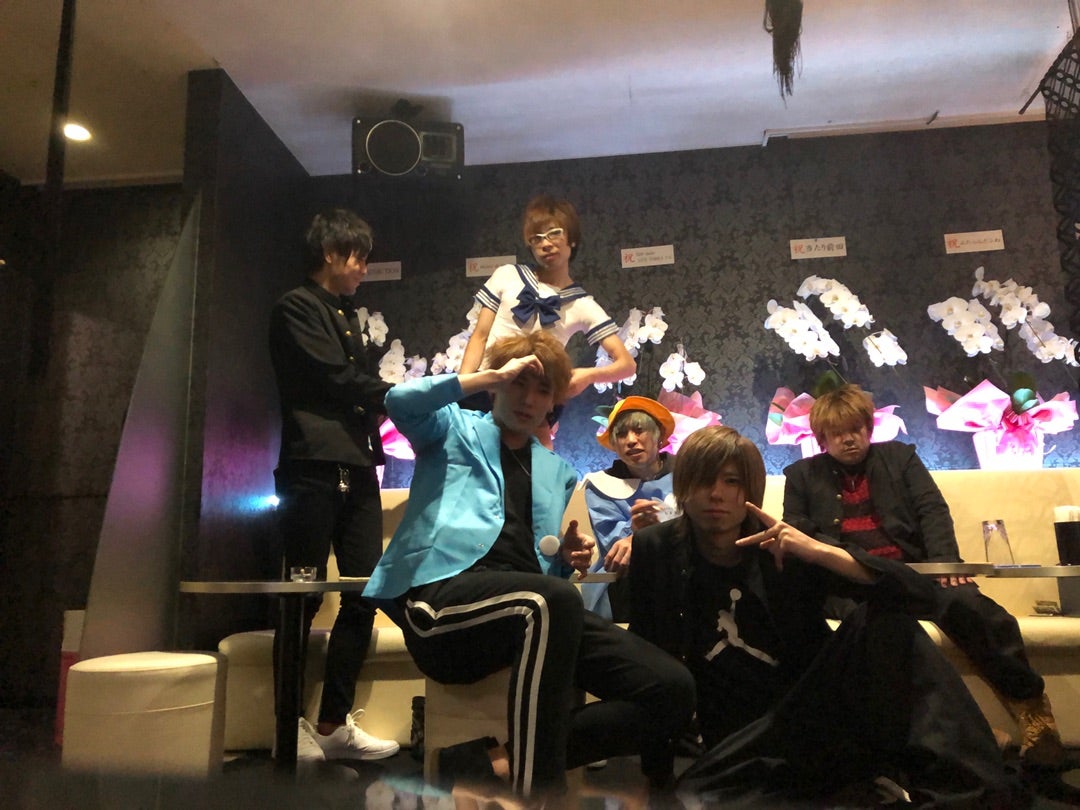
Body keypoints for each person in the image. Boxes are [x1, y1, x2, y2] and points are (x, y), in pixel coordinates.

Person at [363, 331, 695, 799]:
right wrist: (487, 375)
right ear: (497, 384)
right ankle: (540, 793)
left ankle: (491, 762)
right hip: (441, 607)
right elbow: (399, 401)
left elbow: (542, 575)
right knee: (549, 602)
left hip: (529, 612)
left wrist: (565, 559)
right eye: (519, 382)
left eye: (543, 390)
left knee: (672, 688)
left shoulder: (556, 471)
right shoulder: (452, 427)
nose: (530, 399)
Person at [629, 426, 1019, 807]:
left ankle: (968, 796)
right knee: (701, 793)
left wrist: (819, 552)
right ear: (684, 486)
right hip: (731, 736)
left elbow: (914, 594)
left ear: (750, 488)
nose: (716, 494)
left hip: (806, 710)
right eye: (703, 480)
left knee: (889, 624)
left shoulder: (786, 542)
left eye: (731, 481)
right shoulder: (656, 548)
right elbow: (646, 657)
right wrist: (657, 771)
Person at [783, 384, 1066, 769]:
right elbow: (798, 531)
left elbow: (931, 509)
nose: (849, 439)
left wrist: (946, 562)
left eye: (856, 429)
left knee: (972, 607)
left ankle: (1032, 710)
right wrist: (848, 561)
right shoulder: (801, 475)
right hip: (849, 584)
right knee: (885, 628)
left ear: (868, 428)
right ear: (822, 438)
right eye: (837, 433)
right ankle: (966, 731)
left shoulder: (900, 458)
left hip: (915, 576)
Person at [268, 208, 399, 762]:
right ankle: (286, 729)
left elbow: (352, 384)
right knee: (301, 598)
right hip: (311, 465)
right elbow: (336, 378)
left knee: (366, 590)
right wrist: (402, 397)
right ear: (330, 253)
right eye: (358, 258)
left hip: (358, 465)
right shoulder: (296, 306)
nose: (365, 269)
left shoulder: (345, 313)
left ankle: (331, 723)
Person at [459, 194, 636, 409]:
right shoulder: (507, 275)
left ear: (571, 239)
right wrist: (460, 389)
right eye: (537, 238)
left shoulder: (582, 304)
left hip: (532, 403)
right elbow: (480, 336)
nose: (546, 243)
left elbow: (627, 365)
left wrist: (588, 375)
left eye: (554, 234)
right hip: (486, 390)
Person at [580, 396, 678, 621]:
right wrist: (634, 530)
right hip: (624, 581)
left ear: (659, 437)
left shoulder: (687, 474)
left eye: (639, 430)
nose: (631, 440)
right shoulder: (600, 485)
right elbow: (614, 549)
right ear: (614, 445)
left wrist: (645, 533)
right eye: (622, 434)